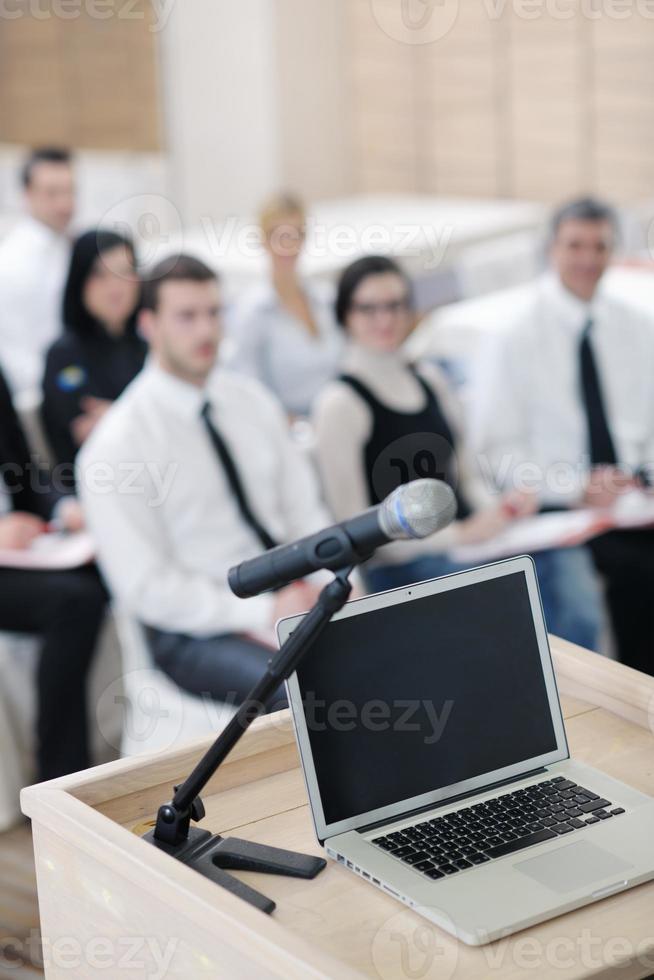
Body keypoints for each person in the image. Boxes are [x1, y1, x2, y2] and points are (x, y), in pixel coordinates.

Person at [78, 255, 331, 709]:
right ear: (148, 324)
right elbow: (147, 587)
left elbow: (304, 513)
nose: (205, 331)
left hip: (290, 595)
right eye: (187, 317)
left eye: (214, 314)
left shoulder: (252, 401)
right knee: (305, 693)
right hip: (196, 627)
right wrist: (261, 611)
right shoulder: (117, 446)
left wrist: (327, 581)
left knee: (397, 648)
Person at [313, 255, 603, 651]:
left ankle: (584, 695)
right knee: (515, 597)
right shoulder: (340, 405)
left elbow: (465, 478)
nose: (385, 319)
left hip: (470, 545)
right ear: (346, 315)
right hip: (408, 565)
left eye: (396, 305)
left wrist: (501, 510)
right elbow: (356, 535)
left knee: (566, 567)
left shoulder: (431, 380)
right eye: (369, 308)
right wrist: (459, 535)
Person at [470, 196, 654, 672]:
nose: (588, 259)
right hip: (557, 507)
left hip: (633, 499)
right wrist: (575, 486)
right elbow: (493, 454)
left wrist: (638, 475)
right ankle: (634, 708)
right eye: (576, 245)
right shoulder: (512, 336)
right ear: (551, 249)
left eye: (600, 246)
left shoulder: (636, 327)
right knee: (637, 576)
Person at [0, 367, 106, 781]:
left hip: (24, 548)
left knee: (100, 575)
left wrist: (64, 508)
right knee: (74, 601)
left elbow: (27, 471)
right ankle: (60, 778)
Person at [225, 193, 343, 417]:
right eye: (277, 235)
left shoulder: (326, 299)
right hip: (288, 436)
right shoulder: (251, 312)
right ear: (262, 240)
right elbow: (246, 389)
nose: (287, 245)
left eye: (295, 235)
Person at [41, 230, 145, 474]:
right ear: (80, 280)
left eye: (125, 272)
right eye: (101, 275)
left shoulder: (149, 346)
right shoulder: (64, 355)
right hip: (95, 485)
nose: (116, 286)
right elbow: (86, 433)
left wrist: (116, 415)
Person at [0, 148, 75, 399]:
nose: (64, 204)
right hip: (41, 398)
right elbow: (14, 354)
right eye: (52, 193)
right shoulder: (11, 263)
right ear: (28, 195)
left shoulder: (70, 249)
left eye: (69, 191)